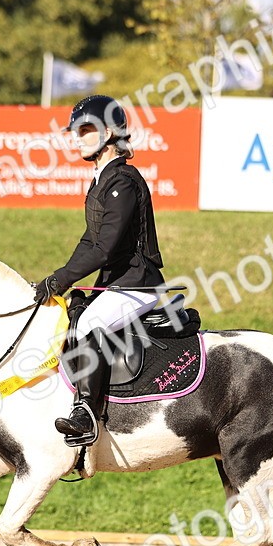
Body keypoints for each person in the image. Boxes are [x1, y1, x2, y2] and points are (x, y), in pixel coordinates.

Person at [31, 94, 165, 446]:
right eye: (75, 131)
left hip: (138, 285)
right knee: (74, 309)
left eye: (85, 129)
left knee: (91, 323)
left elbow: (104, 248)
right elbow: (89, 240)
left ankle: (87, 415)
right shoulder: (101, 180)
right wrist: (58, 281)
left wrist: (59, 278)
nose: (78, 138)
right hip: (116, 283)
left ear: (109, 133)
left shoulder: (123, 181)